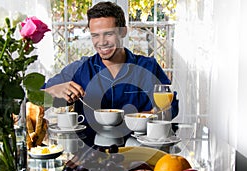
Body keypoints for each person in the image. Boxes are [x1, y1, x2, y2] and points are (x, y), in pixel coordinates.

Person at [43, 1, 179, 147]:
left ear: (123, 32)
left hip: (139, 154)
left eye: (108, 34)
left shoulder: (148, 67)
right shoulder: (80, 69)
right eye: (95, 35)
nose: (101, 42)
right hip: (90, 155)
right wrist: (52, 91)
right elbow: (36, 100)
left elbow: (172, 105)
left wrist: (156, 114)